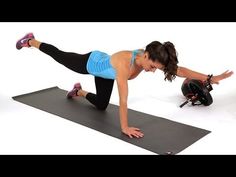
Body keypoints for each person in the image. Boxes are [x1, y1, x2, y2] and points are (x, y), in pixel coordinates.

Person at [16, 32, 233, 138]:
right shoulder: (124, 65)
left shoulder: (148, 56)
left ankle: (78, 90)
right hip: (90, 63)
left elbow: (180, 70)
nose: (152, 70)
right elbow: (123, 99)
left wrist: (211, 78)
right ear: (145, 55)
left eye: (156, 68)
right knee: (60, 56)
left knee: (101, 105)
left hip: (105, 74)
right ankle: (31, 41)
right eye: (152, 66)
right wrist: (124, 127)